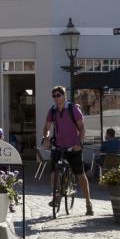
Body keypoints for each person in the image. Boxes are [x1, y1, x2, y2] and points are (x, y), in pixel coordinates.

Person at [42, 85, 94, 216]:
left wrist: (79, 143)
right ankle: (57, 196)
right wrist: (46, 138)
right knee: (54, 172)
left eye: (58, 95)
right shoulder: (52, 110)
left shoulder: (73, 109)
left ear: (64, 96)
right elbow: (46, 127)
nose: (56, 98)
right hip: (58, 145)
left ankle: (88, 204)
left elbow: (82, 128)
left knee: (80, 175)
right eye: (54, 96)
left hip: (73, 145)